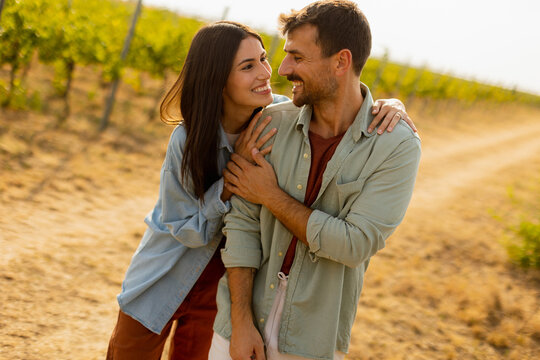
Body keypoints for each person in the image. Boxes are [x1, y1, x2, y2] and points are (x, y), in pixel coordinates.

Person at [106, 20, 415, 360]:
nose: (268, 72)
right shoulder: (187, 141)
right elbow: (185, 230)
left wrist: (390, 104)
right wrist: (232, 181)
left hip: (219, 287)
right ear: (218, 81)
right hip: (164, 275)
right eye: (248, 66)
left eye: (264, 58)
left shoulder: (276, 119)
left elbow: (343, 95)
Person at [209, 2, 422, 360]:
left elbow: (354, 244)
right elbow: (242, 223)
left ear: (341, 62)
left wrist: (271, 196)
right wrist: (241, 321)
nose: (282, 68)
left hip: (313, 343)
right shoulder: (271, 122)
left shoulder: (396, 146)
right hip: (236, 330)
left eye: (297, 57)